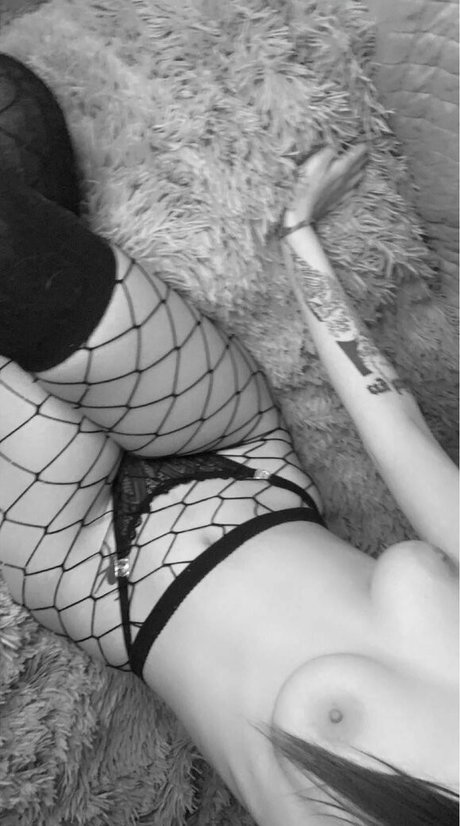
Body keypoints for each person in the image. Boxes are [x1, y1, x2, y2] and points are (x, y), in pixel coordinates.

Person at [0, 54, 458, 826]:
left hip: (92, 569)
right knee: (12, 133)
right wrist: (301, 241)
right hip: (238, 456)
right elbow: (396, 423)